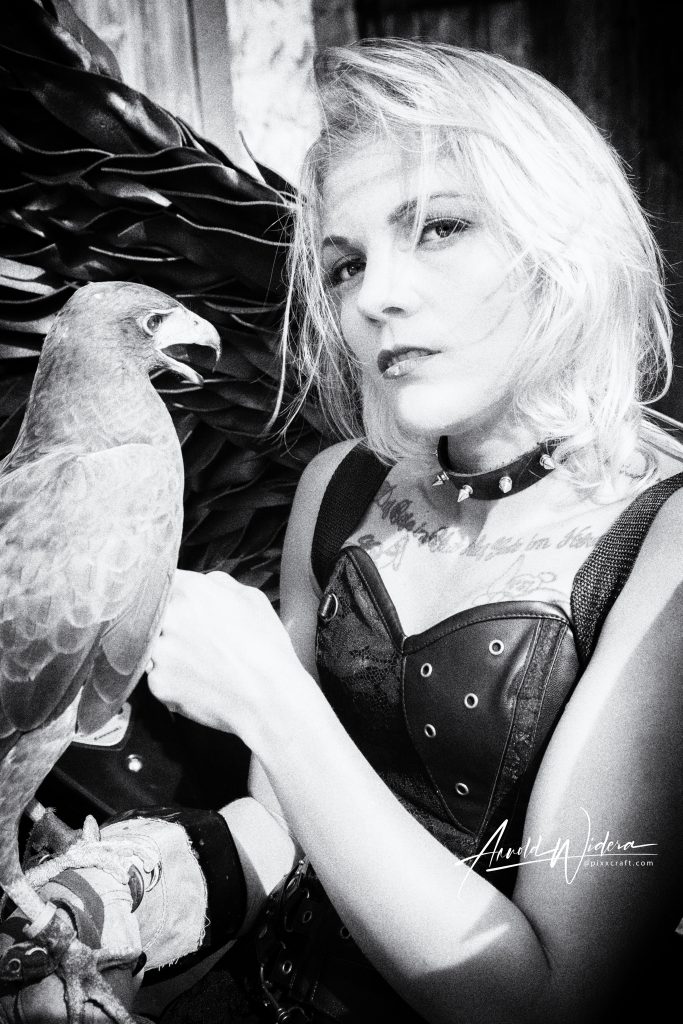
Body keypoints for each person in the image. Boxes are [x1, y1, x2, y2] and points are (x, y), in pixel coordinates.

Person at [2, 38, 683, 1024]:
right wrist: (118, 898)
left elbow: (544, 1002)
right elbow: (278, 830)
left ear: (561, 238)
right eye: (345, 263)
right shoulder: (337, 489)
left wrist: (269, 698)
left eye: (440, 227)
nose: (372, 297)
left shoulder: (664, 543)